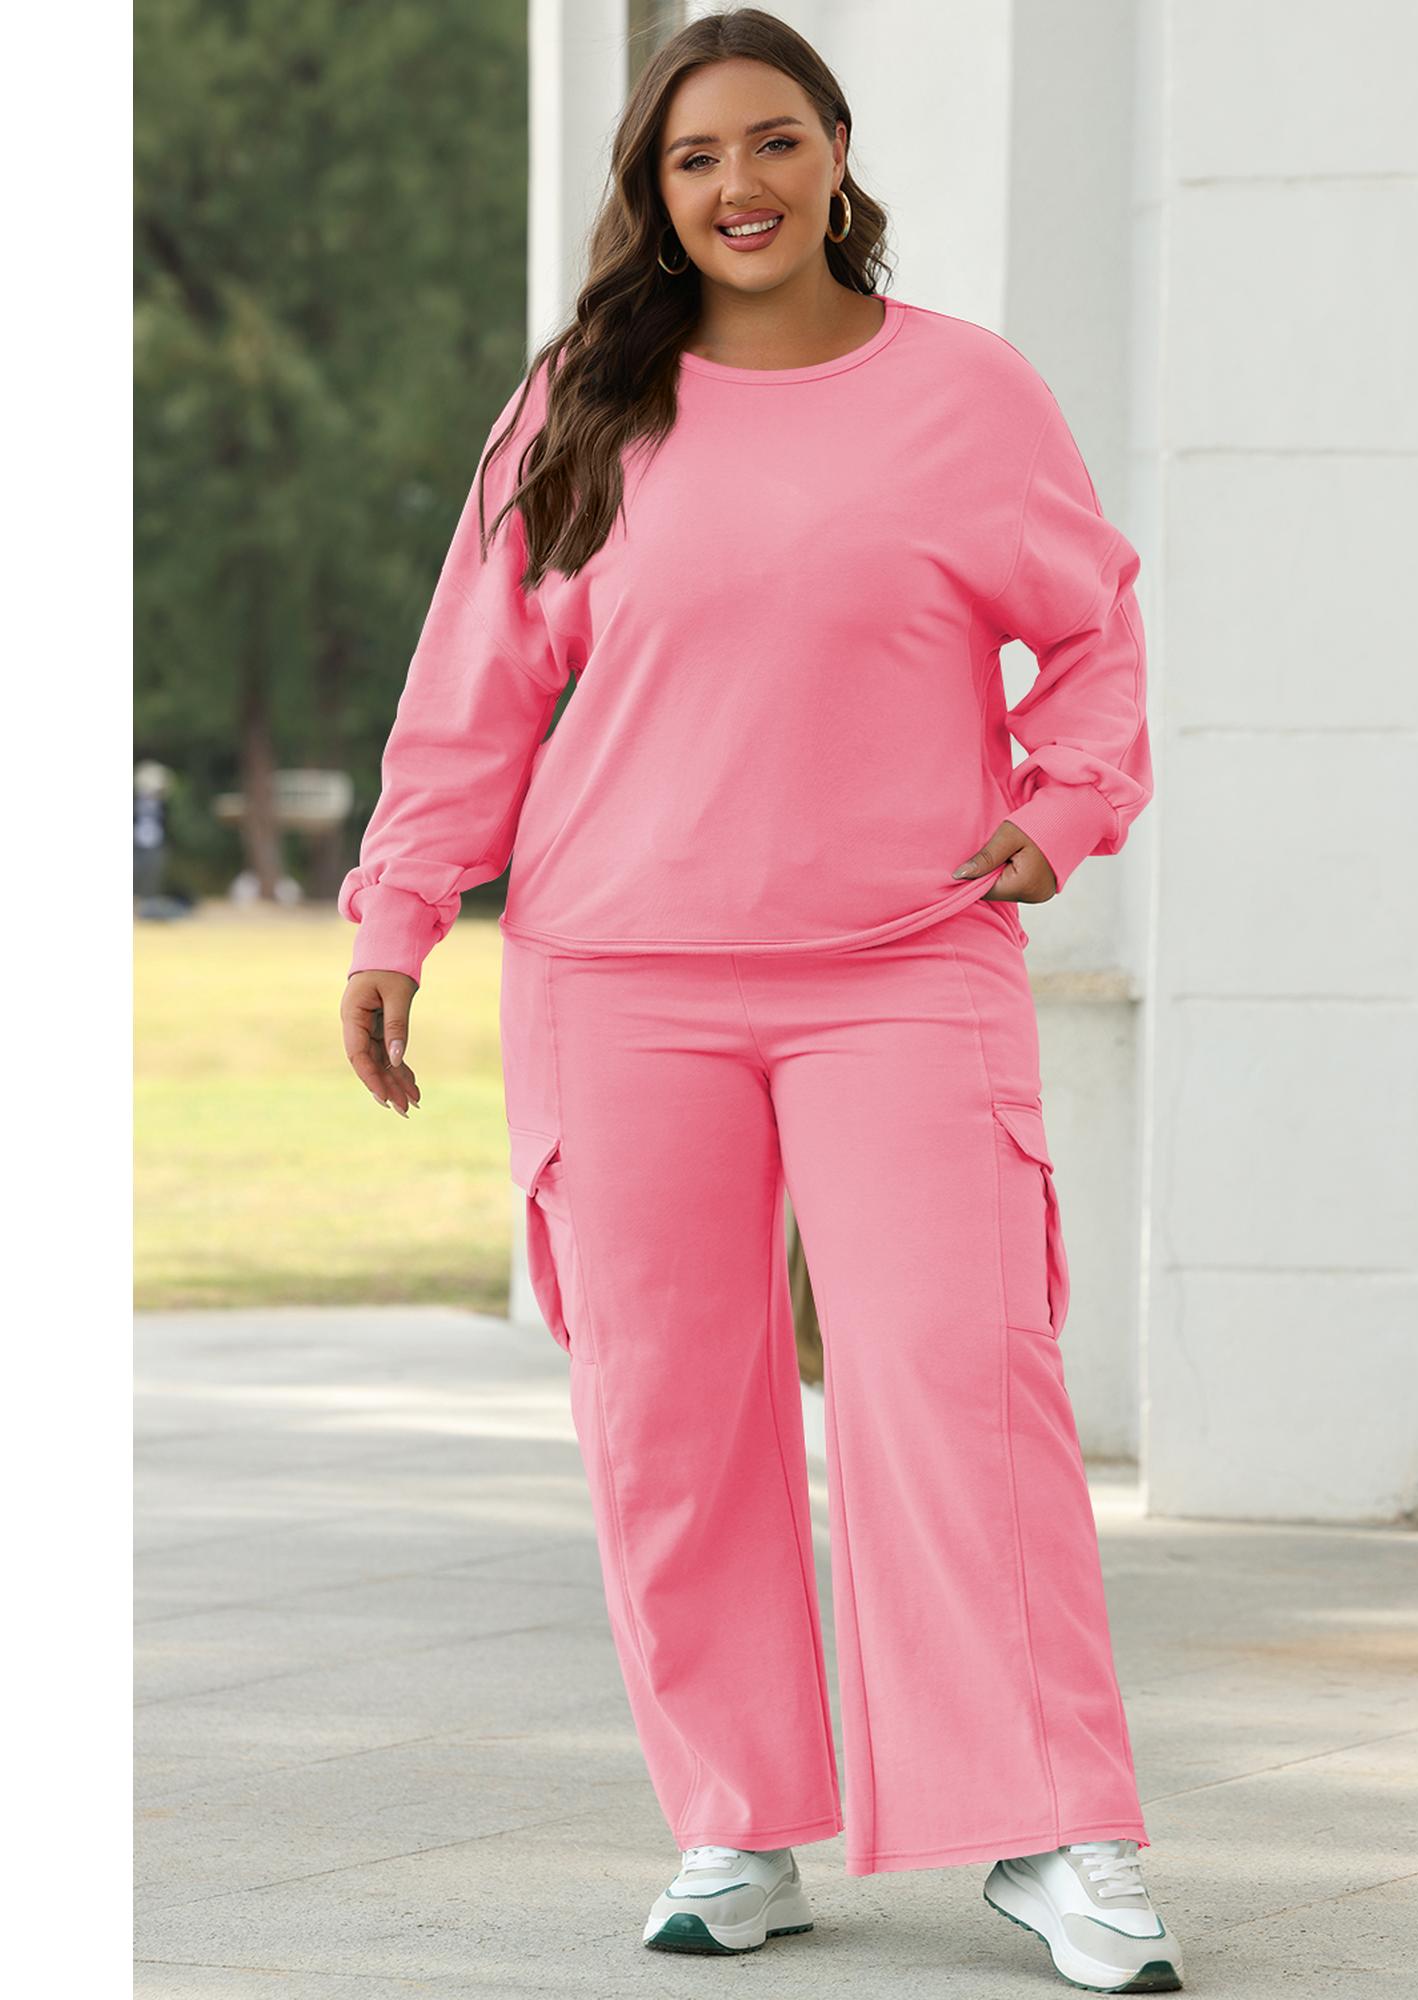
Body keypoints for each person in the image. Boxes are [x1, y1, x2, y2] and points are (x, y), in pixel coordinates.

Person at [337, 9, 1182, 1990]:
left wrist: (1063, 806)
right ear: (653, 188)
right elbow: (475, 688)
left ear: (835, 153)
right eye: (696, 154)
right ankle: (736, 1820)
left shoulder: (963, 395)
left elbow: (1094, 635)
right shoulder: (581, 405)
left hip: (905, 969)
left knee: (961, 1387)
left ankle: (1055, 1830)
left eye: (774, 141)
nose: (740, 184)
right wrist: (396, 915)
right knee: (667, 1411)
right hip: (618, 982)